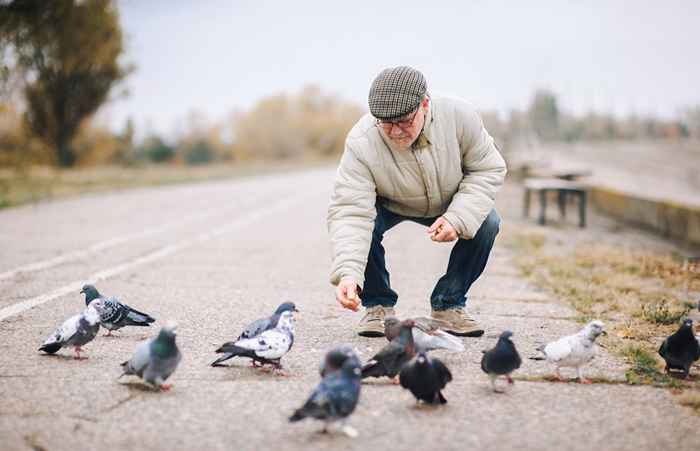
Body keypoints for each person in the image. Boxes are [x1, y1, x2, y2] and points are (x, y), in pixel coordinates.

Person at [327, 66, 506, 338]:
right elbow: (351, 212)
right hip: (389, 202)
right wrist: (349, 274)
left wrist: (457, 219)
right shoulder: (361, 141)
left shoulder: (460, 117)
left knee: (488, 221)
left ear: (424, 103)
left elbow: (487, 169)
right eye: (386, 124)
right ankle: (378, 306)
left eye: (404, 122)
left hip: (450, 201)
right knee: (366, 223)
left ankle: (449, 305)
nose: (396, 132)